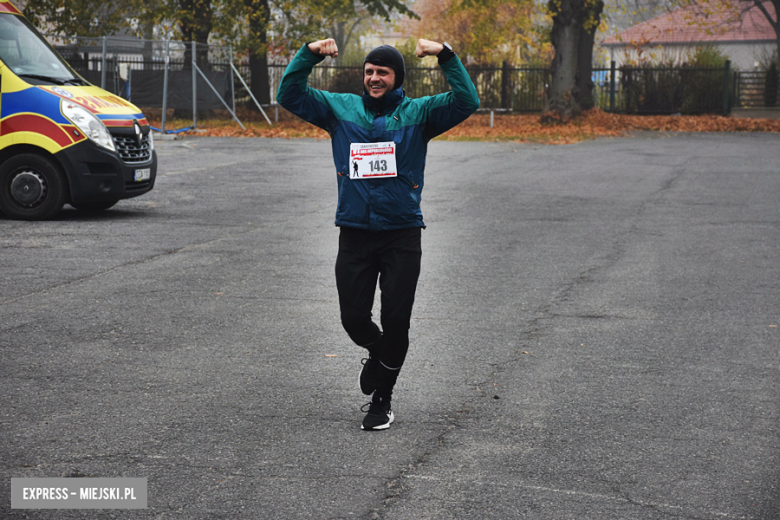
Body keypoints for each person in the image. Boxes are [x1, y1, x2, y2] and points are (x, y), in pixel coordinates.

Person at [277, 37, 479, 431]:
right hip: (354, 231)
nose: (373, 78)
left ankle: (383, 399)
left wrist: (446, 55)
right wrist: (309, 53)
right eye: (369, 71)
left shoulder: (419, 113)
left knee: (397, 320)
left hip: (401, 233)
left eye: (382, 72)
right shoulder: (340, 109)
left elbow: (466, 100)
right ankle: (376, 350)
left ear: (397, 78)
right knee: (353, 318)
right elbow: (289, 93)